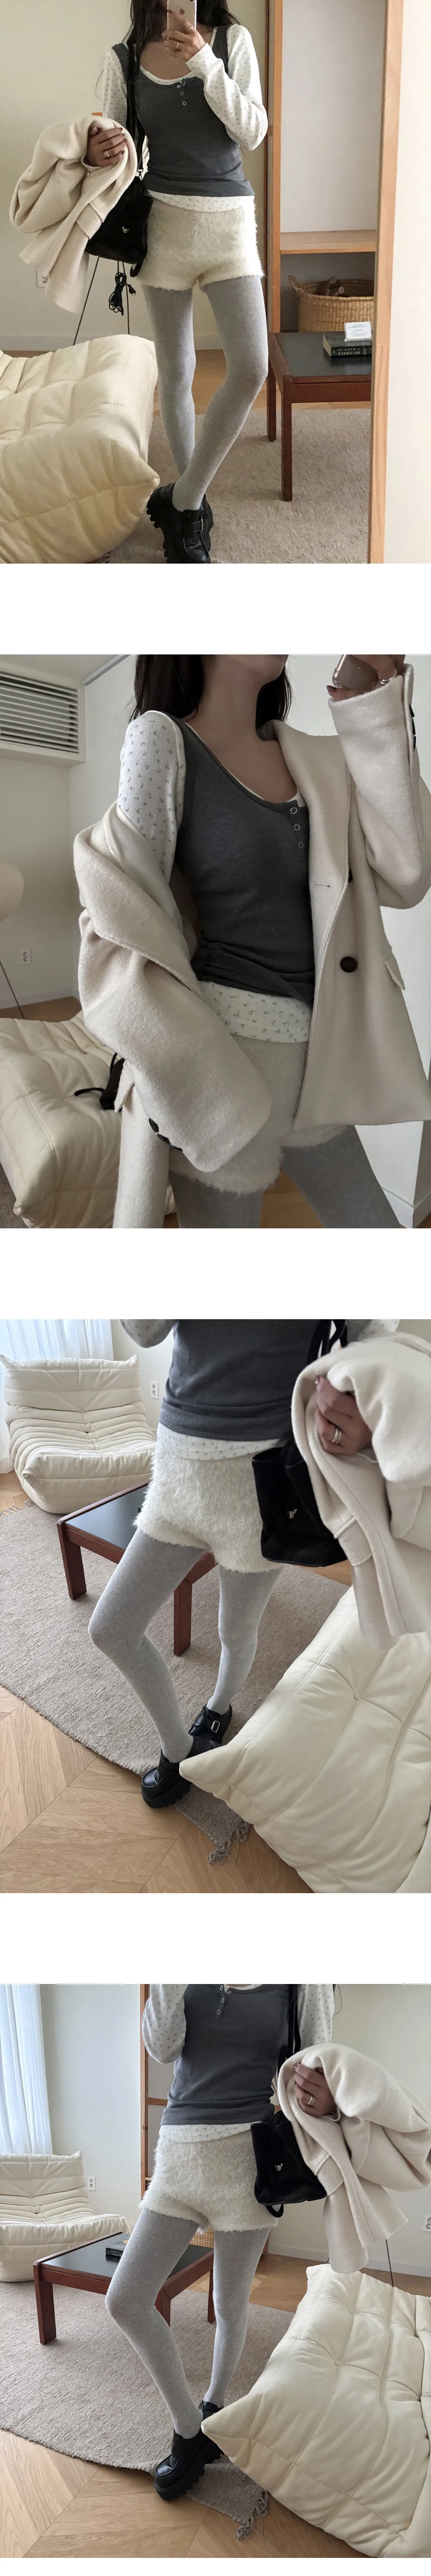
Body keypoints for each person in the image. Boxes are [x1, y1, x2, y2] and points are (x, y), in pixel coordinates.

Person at [74, 649, 431, 1231]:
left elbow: (407, 873)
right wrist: (179, 1069)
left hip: (322, 1057)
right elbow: (127, 920)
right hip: (223, 1063)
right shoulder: (162, 738)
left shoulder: (313, 756)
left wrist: (378, 703)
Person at [89, 1317, 364, 1809]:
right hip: (176, 1475)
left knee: (235, 1630)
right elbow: (146, 1330)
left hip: (260, 1486)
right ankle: (179, 1748)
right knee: (111, 1627)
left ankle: (218, 1708)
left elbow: (370, 1329)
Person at [106, 1981, 334, 2502]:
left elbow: (319, 2069)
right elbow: (163, 2048)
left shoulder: (302, 1977)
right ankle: (190, 2430)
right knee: (125, 2299)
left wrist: (323, 2097)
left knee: (229, 2302)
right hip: (177, 2158)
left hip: (248, 2163)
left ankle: (213, 2403)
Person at [85, 0, 268, 560]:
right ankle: (193, 514)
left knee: (251, 366)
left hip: (230, 229)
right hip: (163, 229)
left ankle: (183, 497)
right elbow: (116, 154)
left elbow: (252, 131)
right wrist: (97, 151)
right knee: (178, 370)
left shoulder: (233, 42)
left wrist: (205, 63)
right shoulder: (123, 57)